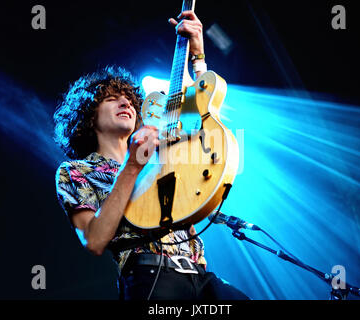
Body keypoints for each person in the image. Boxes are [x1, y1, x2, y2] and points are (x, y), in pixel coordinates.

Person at [54, 10, 249, 300]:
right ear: (88, 118)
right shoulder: (75, 172)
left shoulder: (161, 154)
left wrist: (197, 55)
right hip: (150, 277)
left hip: (201, 275)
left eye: (130, 99)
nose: (125, 102)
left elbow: (201, 115)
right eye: (110, 98)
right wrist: (132, 166)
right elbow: (94, 240)